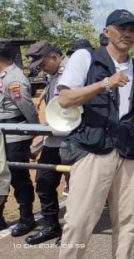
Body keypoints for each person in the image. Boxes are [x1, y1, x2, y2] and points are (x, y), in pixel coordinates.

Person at [57, 9, 134, 259]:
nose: (127, 34)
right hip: (94, 149)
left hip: (131, 153)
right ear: (107, 31)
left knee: (126, 221)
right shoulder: (86, 58)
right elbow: (64, 98)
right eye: (121, 28)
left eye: (131, 30)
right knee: (79, 221)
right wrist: (105, 83)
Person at [24, 41, 67, 244]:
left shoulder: (72, 74)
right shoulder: (51, 77)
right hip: (52, 140)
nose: (41, 68)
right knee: (44, 182)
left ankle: (73, 231)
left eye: (42, 63)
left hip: (73, 141)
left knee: (76, 187)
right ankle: (51, 226)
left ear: (53, 56)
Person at [0, 38, 39, 237]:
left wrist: (33, 130)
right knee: (1, 175)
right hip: (1, 134)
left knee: (18, 176)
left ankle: (26, 217)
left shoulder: (14, 78)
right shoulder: (3, 75)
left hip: (14, 135)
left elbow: (28, 109)